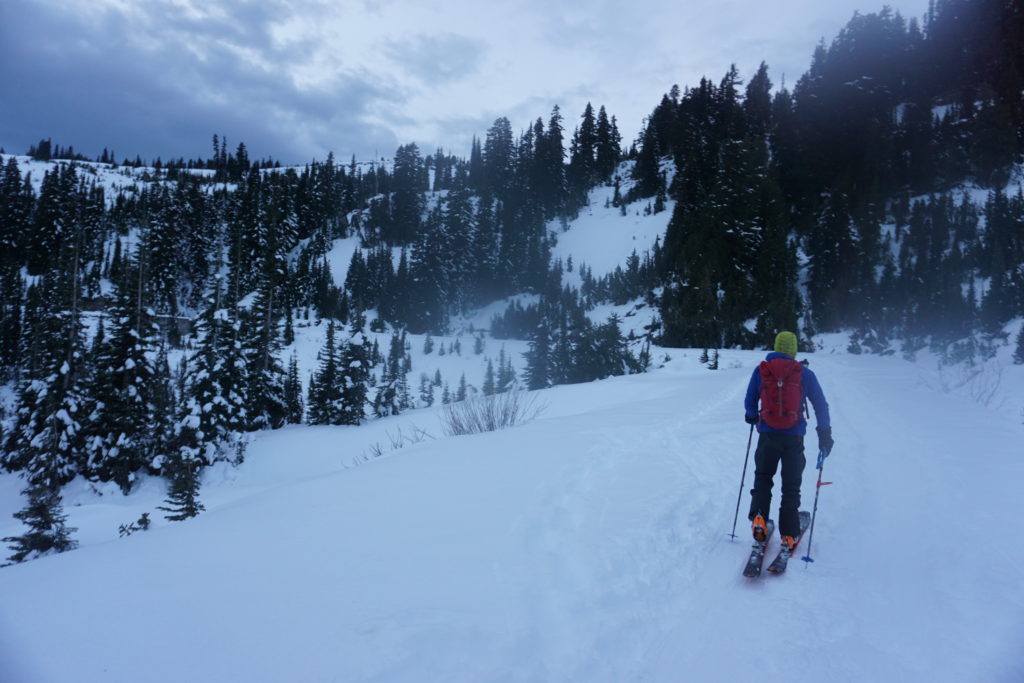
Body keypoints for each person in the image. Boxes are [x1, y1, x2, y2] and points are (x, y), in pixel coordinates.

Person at [743, 331, 833, 552]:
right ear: (793, 349)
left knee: (763, 478)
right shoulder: (805, 373)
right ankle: (789, 534)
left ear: (775, 347)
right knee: (791, 486)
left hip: (767, 436)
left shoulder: (762, 370)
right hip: (794, 438)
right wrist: (824, 433)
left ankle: (760, 520)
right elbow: (820, 404)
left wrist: (752, 415)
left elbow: (750, 398)